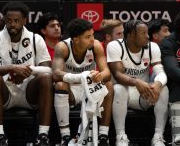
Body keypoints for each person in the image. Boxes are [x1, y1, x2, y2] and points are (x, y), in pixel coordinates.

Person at [0, 1, 53, 146]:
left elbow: (47, 68)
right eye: (9, 21)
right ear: (4, 20)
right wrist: (11, 68)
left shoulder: (36, 39)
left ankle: (42, 136)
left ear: (24, 20)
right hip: (5, 92)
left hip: (29, 92)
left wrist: (27, 71)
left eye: (17, 21)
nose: (12, 24)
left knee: (46, 78)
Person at [107, 20, 169, 146]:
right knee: (119, 88)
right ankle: (121, 137)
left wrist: (157, 84)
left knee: (164, 88)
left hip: (144, 95)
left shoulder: (152, 47)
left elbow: (160, 71)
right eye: (143, 33)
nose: (147, 36)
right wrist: (136, 82)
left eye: (147, 33)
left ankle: (158, 136)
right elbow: (118, 75)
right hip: (123, 95)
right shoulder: (115, 46)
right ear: (130, 34)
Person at [52, 18, 111, 146]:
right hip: (71, 90)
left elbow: (107, 73)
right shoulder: (63, 47)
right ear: (76, 39)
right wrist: (81, 77)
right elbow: (56, 74)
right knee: (60, 85)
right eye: (87, 36)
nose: (92, 39)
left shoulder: (95, 46)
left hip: (89, 89)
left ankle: (103, 135)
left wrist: (99, 75)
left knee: (109, 85)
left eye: (92, 35)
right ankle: (65, 136)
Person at [159, 11, 180, 145]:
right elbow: (172, 69)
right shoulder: (168, 43)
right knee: (178, 84)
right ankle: (178, 134)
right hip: (176, 82)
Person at [97, 19, 124, 145]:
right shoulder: (97, 50)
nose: (123, 37)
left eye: (123, 33)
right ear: (108, 36)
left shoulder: (125, 48)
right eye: (119, 34)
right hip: (99, 95)